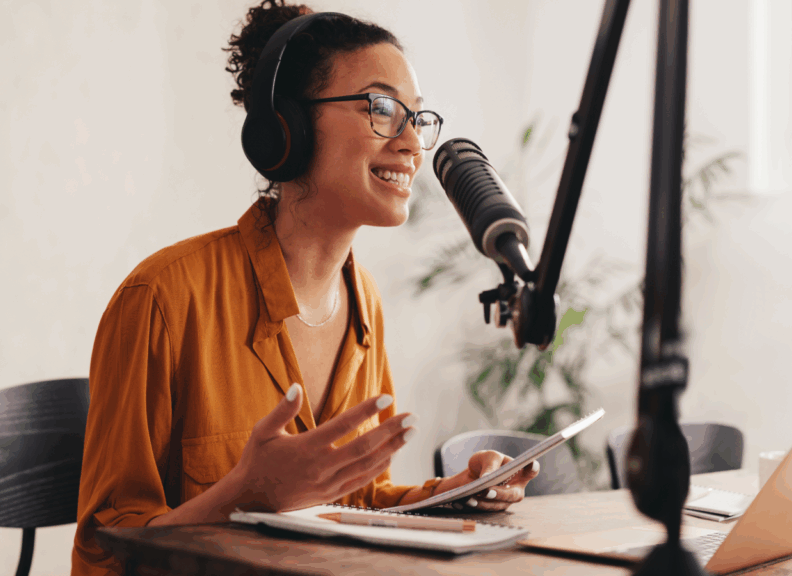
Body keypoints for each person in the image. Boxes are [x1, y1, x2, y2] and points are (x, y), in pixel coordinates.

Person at [71, 2, 539, 574]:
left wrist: (451, 495)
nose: (413, 143)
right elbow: (103, 551)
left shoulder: (363, 301)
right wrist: (245, 493)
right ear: (285, 130)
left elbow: (353, 504)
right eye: (383, 108)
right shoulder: (164, 300)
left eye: (418, 117)